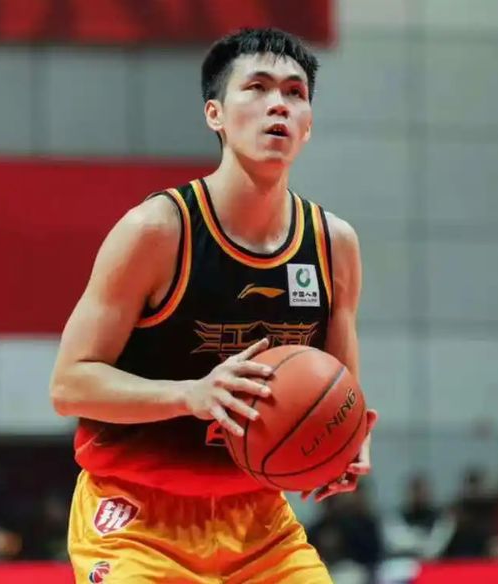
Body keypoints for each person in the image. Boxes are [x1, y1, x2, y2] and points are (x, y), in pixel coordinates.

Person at [50, 27, 377, 583]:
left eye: (295, 93)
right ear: (215, 114)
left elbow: (339, 386)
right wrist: (191, 395)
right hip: (136, 519)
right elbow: (69, 385)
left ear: (307, 126)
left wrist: (345, 441)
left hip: (259, 524)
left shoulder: (333, 244)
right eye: (258, 87)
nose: (279, 103)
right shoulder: (157, 230)